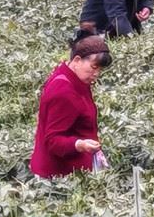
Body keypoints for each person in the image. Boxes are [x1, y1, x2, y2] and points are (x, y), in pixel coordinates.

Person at [30, 33, 112, 178]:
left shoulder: (73, 77)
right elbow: (53, 140)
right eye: (94, 67)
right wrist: (79, 144)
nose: (96, 74)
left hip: (72, 169)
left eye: (100, 69)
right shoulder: (63, 91)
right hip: (60, 176)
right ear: (77, 60)